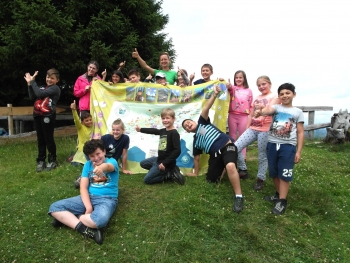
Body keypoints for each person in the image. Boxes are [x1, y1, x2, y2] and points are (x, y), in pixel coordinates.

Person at [181, 85, 244, 213]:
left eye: (188, 122)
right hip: (215, 156)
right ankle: (223, 168)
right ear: (188, 131)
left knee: (230, 165)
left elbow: (206, 108)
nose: (188, 125)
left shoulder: (203, 123)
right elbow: (196, 158)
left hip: (227, 146)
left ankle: (239, 196)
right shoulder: (196, 141)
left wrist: (214, 94)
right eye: (186, 127)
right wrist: (195, 172)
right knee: (211, 181)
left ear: (194, 122)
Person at [48, 139, 119, 245]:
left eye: (98, 154)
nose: (96, 158)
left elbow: (108, 167)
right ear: (88, 157)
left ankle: (72, 218)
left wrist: (101, 168)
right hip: (88, 197)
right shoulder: (87, 165)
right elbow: (83, 187)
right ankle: (85, 229)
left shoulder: (111, 161)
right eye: (92, 156)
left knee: (100, 220)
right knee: (54, 208)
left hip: (107, 199)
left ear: (104, 151)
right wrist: (89, 207)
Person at [254, 83, 304, 215]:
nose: (285, 96)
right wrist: (260, 110)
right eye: (281, 94)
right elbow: (267, 110)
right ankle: (277, 194)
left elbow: (300, 132)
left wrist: (298, 151)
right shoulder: (276, 107)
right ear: (279, 96)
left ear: (294, 94)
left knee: (285, 174)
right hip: (272, 145)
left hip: (288, 147)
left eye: (287, 93)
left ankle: (282, 201)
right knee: (274, 172)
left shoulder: (298, 112)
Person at [234, 76, 280, 190]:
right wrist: (247, 128)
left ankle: (260, 179)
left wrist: (262, 107)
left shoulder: (275, 96)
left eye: (264, 84)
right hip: (253, 128)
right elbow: (251, 114)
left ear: (269, 83)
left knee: (262, 156)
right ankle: (243, 169)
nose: (261, 87)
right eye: (259, 85)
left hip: (265, 130)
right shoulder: (257, 97)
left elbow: (271, 110)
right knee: (235, 147)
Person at [135, 108, 184, 185]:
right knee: (142, 163)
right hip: (158, 160)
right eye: (163, 118)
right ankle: (161, 171)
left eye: (167, 118)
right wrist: (141, 129)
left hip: (166, 163)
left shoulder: (174, 133)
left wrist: (165, 163)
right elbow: (153, 131)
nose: (165, 120)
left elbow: (177, 150)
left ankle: (168, 174)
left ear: (173, 119)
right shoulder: (163, 131)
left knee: (147, 180)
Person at [25, 69, 61, 172]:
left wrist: (33, 82)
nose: (49, 79)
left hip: (48, 116)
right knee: (40, 139)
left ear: (57, 80)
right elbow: (33, 96)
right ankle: (41, 160)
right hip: (37, 116)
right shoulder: (41, 87)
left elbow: (40, 94)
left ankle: (52, 159)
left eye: (52, 78)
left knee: (48, 139)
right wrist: (29, 84)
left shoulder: (55, 88)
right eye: (48, 77)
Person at [227, 70, 253, 161]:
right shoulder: (233, 88)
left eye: (240, 77)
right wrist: (228, 85)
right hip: (232, 115)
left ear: (244, 79)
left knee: (243, 137)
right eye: (236, 77)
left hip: (244, 116)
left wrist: (250, 115)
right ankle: (232, 156)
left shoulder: (249, 91)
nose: (238, 79)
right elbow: (229, 88)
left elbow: (251, 104)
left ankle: (243, 157)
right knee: (232, 136)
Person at [70, 100, 93, 166]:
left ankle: (73, 156)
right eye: (86, 121)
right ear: (82, 122)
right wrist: (74, 110)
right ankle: (74, 157)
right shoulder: (80, 127)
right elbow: (76, 120)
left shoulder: (93, 126)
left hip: (91, 148)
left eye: (90, 120)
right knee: (79, 163)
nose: (89, 122)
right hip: (83, 149)